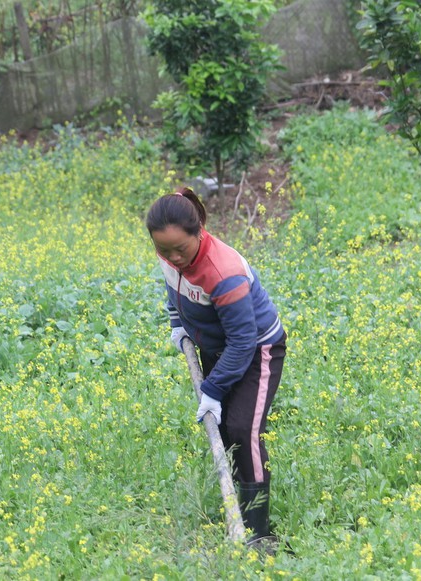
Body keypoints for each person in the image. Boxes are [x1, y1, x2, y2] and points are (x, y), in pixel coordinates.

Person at [146, 187, 286, 550]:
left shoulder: (223, 272)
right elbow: (173, 286)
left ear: (199, 233)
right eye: (165, 250)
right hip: (217, 346)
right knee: (224, 429)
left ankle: (258, 531)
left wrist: (212, 389)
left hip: (257, 350)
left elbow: (243, 342)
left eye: (181, 249)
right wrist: (178, 321)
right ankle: (236, 507)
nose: (173, 257)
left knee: (243, 428)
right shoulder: (168, 254)